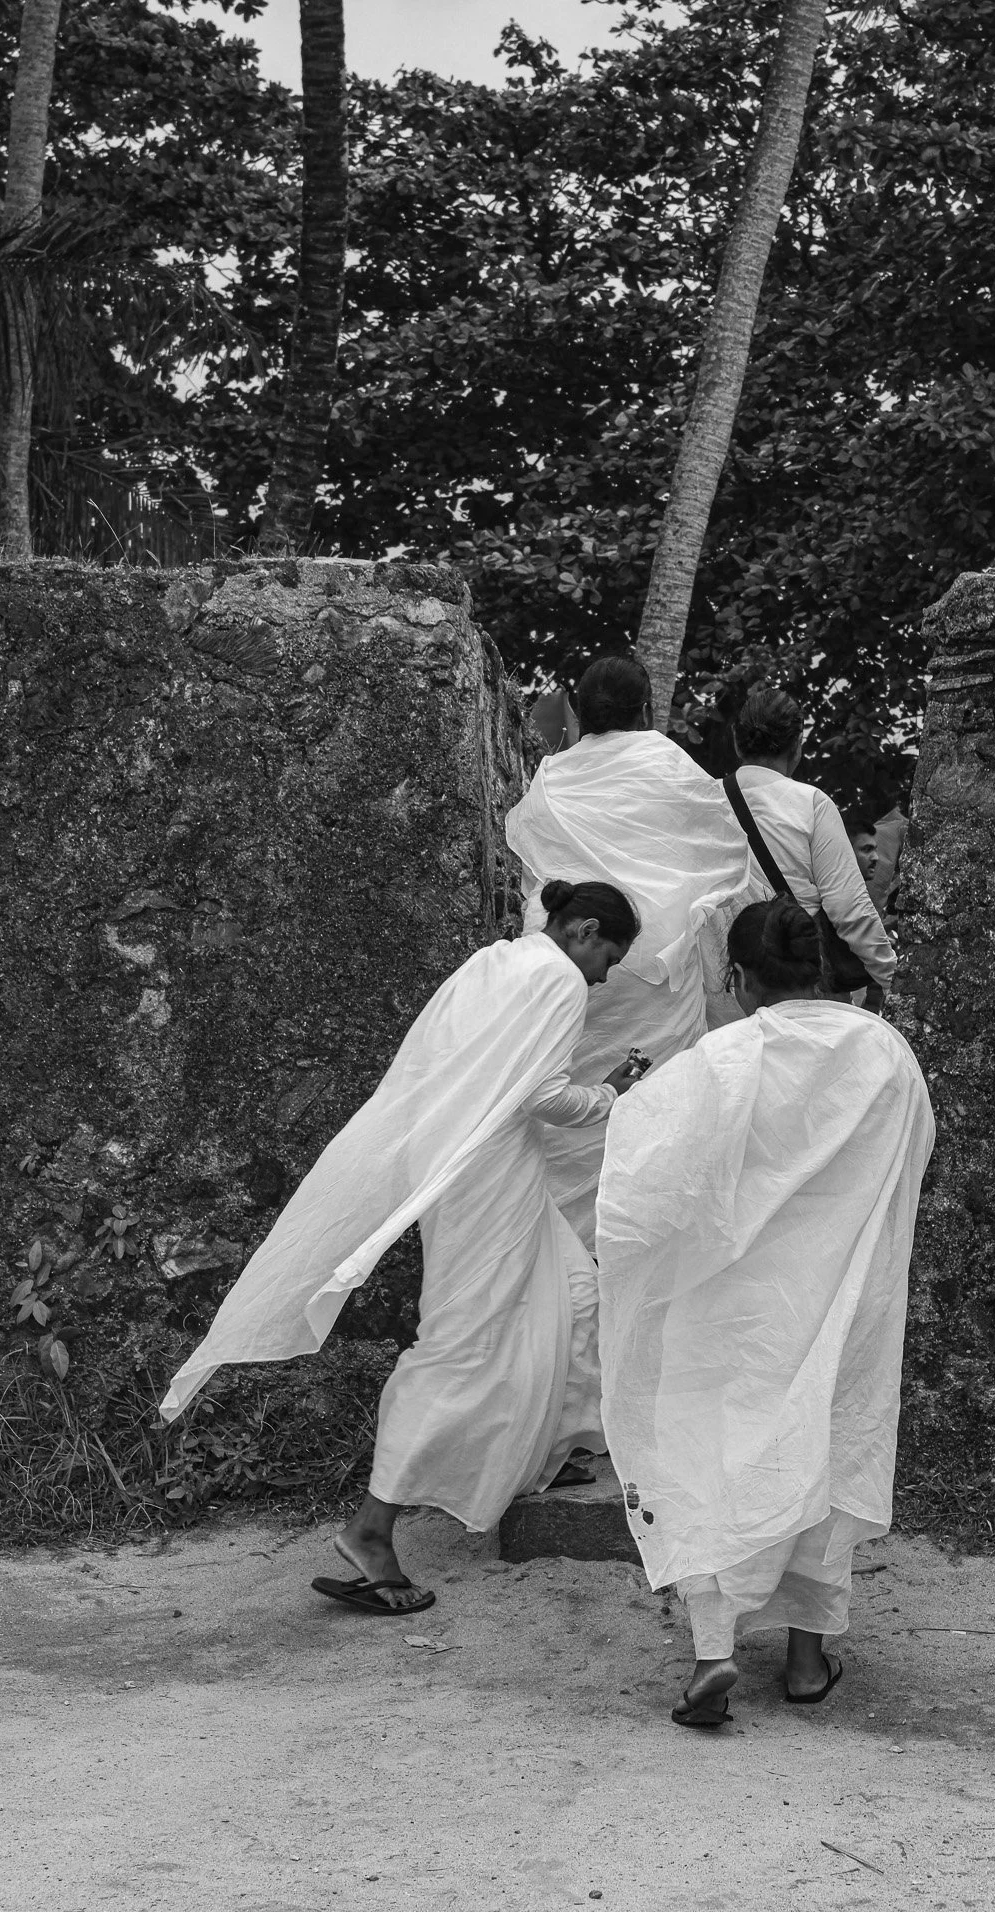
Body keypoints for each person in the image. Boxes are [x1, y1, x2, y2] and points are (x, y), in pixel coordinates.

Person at [160, 880, 647, 1614]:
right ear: (583, 930)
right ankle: (371, 1530)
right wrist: (610, 1094)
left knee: (576, 1294)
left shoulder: (494, 962)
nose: (605, 976)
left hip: (459, 1163)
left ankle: (537, 1456)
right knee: (460, 1344)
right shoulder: (558, 980)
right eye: (609, 957)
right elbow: (541, 1096)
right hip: (487, 1176)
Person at [596, 898, 935, 1727]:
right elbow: (910, 1162)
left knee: (714, 1454)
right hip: (843, 1296)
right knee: (822, 1447)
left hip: (733, 1306)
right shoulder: (883, 1052)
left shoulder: (723, 1058)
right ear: (816, 966)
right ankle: (806, 1664)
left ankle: (714, 1653)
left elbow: (646, 1186)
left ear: (740, 977)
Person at [505, 654, 756, 1250]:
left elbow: (536, 872)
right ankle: (631, 1259)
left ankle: (554, 1259)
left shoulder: (554, 776)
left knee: (557, 1099)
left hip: (571, 962)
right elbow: (722, 859)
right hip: (656, 980)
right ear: (646, 710)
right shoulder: (669, 765)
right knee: (650, 1125)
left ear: (578, 711)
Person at [724, 687, 896, 1011]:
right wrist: (892, 976)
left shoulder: (706, 800)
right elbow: (849, 908)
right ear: (797, 745)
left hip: (726, 987)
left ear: (736, 740)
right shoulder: (811, 805)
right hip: (800, 987)